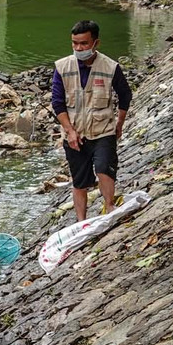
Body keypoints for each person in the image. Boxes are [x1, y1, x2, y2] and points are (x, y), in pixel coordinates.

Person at [51, 20, 132, 221]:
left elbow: (125, 95)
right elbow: (58, 103)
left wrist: (119, 124)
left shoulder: (110, 67)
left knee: (104, 168)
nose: (79, 48)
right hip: (75, 133)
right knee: (79, 181)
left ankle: (109, 206)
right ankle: (81, 221)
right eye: (75, 43)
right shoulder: (62, 67)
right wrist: (70, 131)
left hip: (103, 130)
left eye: (84, 43)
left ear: (96, 43)